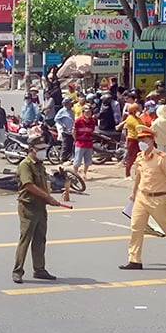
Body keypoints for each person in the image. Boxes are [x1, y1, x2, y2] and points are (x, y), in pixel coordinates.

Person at [120, 127, 166, 271]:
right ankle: (134, 260)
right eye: (140, 140)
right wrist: (134, 193)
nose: (142, 142)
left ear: (152, 140)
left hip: (158, 198)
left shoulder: (162, 158)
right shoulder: (140, 157)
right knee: (136, 228)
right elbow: (139, 176)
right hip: (142, 197)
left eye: (144, 139)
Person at [12, 135, 68, 283]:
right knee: (26, 239)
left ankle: (39, 269)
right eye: (41, 149)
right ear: (32, 149)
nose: (44, 151)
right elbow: (29, 185)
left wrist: (50, 197)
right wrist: (47, 197)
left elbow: (44, 185)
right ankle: (17, 271)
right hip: (28, 207)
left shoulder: (40, 165)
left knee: (40, 239)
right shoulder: (26, 165)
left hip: (40, 207)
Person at [118, 102, 143, 178]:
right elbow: (139, 126)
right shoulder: (130, 119)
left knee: (140, 157)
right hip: (132, 140)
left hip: (139, 139)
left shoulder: (137, 118)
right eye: (137, 110)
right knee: (131, 157)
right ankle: (127, 174)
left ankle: (138, 174)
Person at [73, 104, 97, 180]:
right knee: (77, 161)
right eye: (86, 112)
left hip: (89, 143)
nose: (88, 114)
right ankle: (75, 175)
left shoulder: (92, 121)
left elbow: (92, 131)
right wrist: (76, 139)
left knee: (88, 161)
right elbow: (74, 131)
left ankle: (84, 174)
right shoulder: (78, 121)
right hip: (80, 143)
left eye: (89, 112)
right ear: (83, 112)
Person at [55, 97, 75, 163]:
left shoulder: (71, 111)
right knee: (66, 145)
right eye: (70, 103)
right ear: (66, 104)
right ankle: (62, 158)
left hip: (71, 131)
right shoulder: (62, 111)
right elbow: (56, 119)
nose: (71, 104)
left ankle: (69, 158)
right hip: (65, 131)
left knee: (71, 145)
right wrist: (62, 125)